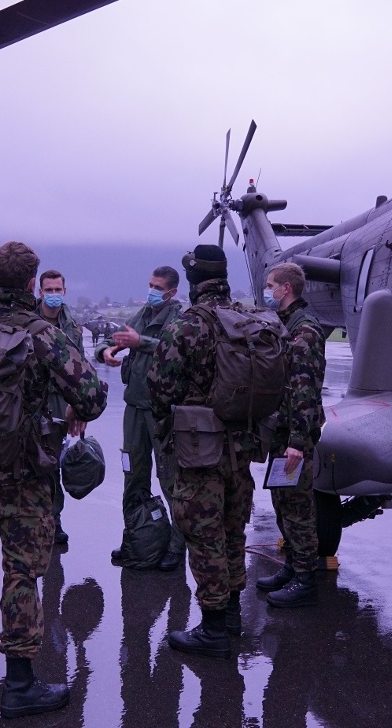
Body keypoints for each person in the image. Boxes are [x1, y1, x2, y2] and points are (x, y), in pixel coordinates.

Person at [0, 241, 108, 718]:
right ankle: (18, 683)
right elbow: (93, 397)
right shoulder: (43, 335)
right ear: (32, 285)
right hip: (24, 479)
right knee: (21, 575)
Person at [147, 245, 261, 657]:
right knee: (233, 529)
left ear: (193, 282)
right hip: (242, 448)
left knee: (204, 535)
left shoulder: (187, 326)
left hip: (200, 451)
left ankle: (212, 628)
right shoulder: (247, 319)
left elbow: (159, 388)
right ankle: (231, 613)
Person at [95, 265, 185, 570]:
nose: (152, 291)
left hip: (161, 412)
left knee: (168, 477)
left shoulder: (178, 318)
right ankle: (135, 535)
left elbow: (177, 350)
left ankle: (177, 545)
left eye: (158, 287)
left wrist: (140, 343)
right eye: (150, 285)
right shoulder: (143, 314)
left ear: (171, 292)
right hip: (134, 408)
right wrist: (106, 351)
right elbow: (114, 338)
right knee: (133, 473)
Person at [256, 262, 327, 608]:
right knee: (282, 503)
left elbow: (304, 390)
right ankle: (291, 567)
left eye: (271, 286)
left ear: (286, 289)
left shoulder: (304, 332)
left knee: (298, 507)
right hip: (282, 433)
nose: (267, 291)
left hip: (294, 437)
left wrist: (298, 442)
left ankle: (305, 578)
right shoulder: (286, 325)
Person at [35, 269, 86, 545]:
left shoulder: (72, 327)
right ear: (40, 291)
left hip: (60, 401)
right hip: (33, 399)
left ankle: (54, 520)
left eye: (58, 290)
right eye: (48, 290)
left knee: (55, 460)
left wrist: (80, 408)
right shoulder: (29, 322)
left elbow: (81, 371)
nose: (53, 295)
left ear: (64, 292)